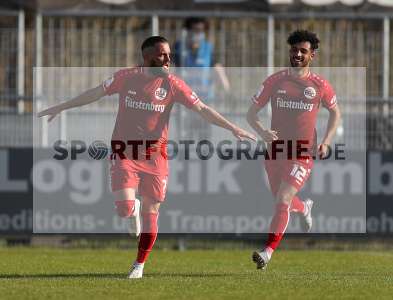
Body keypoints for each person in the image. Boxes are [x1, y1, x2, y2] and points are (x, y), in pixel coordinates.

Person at [38, 36, 255, 279]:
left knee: (152, 211)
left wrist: (232, 128)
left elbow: (203, 109)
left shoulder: (173, 84)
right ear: (148, 56)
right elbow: (95, 93)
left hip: (156, 157)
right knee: (124, 209)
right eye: (162, 54)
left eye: (169, 54)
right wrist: (62, 106)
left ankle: (139, 264)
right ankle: (133, 210)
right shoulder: (126, 77)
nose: (168, 59)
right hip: (124, 152)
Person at [246, 30, 341, 270]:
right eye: (294, 50)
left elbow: (335, 113)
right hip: (275, 152)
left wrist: (327, 141)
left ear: (313, 56)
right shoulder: (274, 80)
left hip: (302, 153)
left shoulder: (320, 86)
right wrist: (262, 132)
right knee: (283, 200)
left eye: (303, 51)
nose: (297, 54)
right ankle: (304, 207)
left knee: (283, 199)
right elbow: (251, 114)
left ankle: (267, 252)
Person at [174, 17, 230, 139]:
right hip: (184, 96)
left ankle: (203, 154)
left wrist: (226, 87)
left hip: (204, 97)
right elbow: (171, 68)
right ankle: (185, 154)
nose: (197, 34)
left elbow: (216, 66)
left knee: (204, 132)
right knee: (185, 133)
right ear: (187, 31)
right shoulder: (179, 47)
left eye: (200, 30)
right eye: (194, 30)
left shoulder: (208, 48)